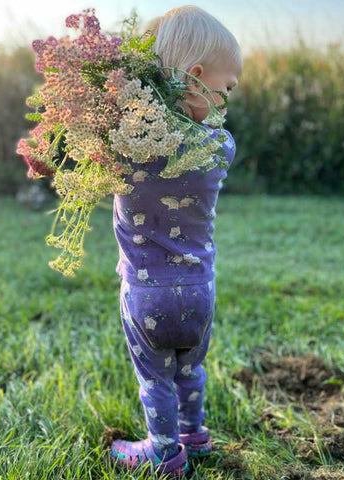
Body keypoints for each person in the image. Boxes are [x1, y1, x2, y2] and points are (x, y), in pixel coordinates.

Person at [110, 5, 242, 478]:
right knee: (190, 370)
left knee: (155, 377)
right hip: (199, 292)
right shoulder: (219, 147)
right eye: (226, 88)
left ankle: (164, 451)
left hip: (145, 296)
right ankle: (195, 435)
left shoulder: (124, 144)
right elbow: (204, 133)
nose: (228, 101)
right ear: (197, 77)